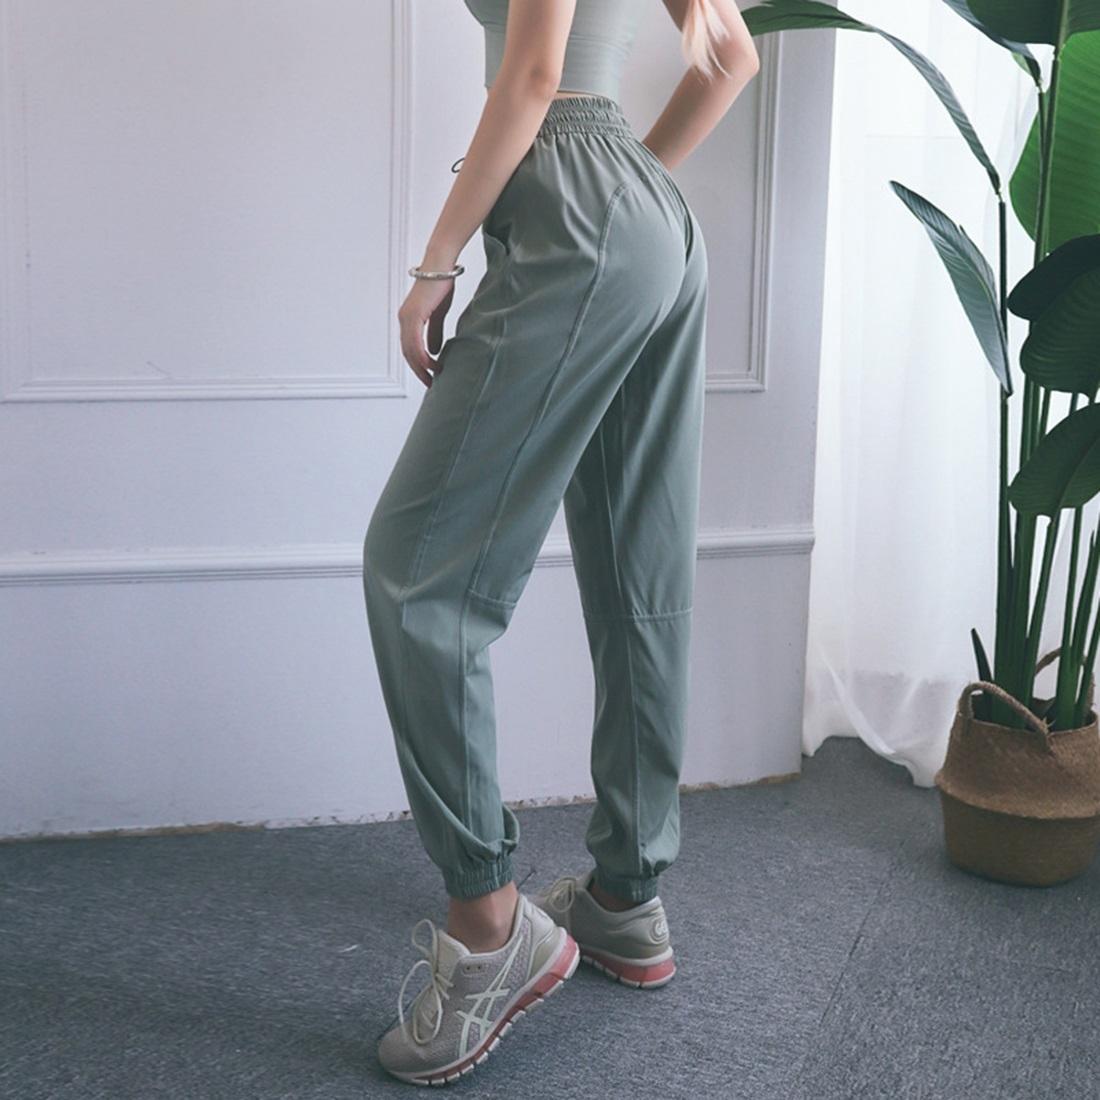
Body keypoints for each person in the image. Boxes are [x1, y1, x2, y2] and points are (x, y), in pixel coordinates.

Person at [363, 0, 760, 1085]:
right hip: (645, 214)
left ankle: (489, 926)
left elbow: (534, 74)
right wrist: (631, 197)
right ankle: (627, 897)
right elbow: (730, 56)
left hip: (575, 198)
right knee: (640, 570)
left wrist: (436, 262)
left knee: (417, 576)